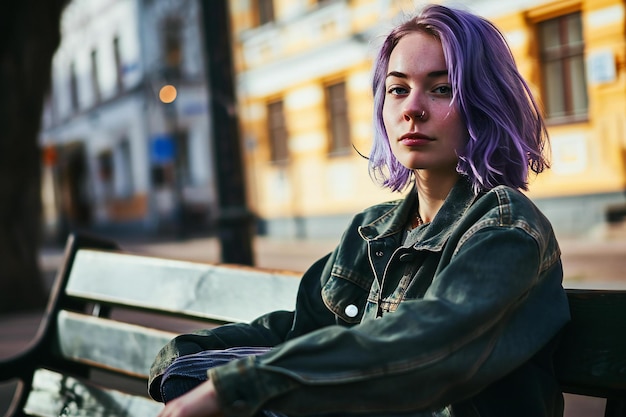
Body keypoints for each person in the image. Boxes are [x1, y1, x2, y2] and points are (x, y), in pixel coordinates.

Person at [149, 4, 571, 417]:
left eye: (441, 88)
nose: (412, 108)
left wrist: (238, 387)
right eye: (398, 88)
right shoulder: (371, 230)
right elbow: (301, 330)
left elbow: (427, 346)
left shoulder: (506, 228)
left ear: (484, 101)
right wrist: (186, 355)